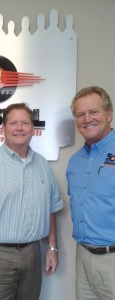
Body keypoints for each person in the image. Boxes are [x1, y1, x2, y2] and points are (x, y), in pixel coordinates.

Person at [0, 102, 64, 300]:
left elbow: (51, 208)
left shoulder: (42, 165)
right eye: (13, 123)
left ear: (33, 128)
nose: (19, 128)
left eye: (25, 123)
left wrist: (52, 248)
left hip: (33, 254)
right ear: (3, 128)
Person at [66, 86, 115, 300]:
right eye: (80, 114)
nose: (87, 119)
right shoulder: (75, 161)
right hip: (83, 257)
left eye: (94, 112)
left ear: (109, 114)